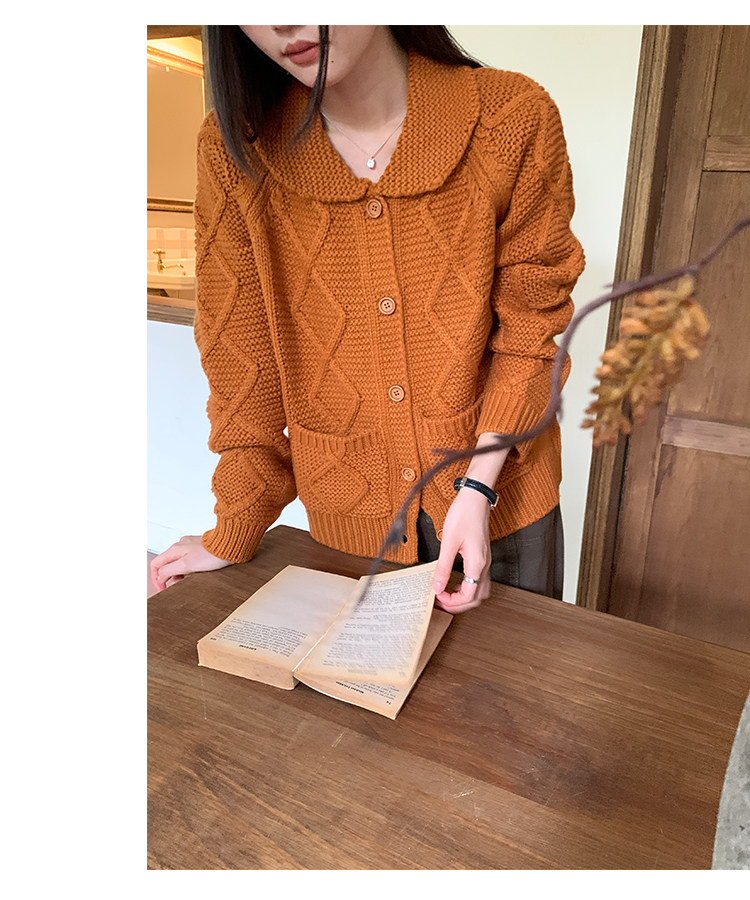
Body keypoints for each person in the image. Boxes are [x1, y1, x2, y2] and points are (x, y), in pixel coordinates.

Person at [150, 25, 585, 612]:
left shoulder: (510, 117)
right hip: (350, 517)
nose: (281, 20)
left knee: (510, 674)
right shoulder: (235, 150)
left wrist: (478, 487)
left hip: (503, 506)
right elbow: (241, 366)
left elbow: (531, 333)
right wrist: (235, 525)